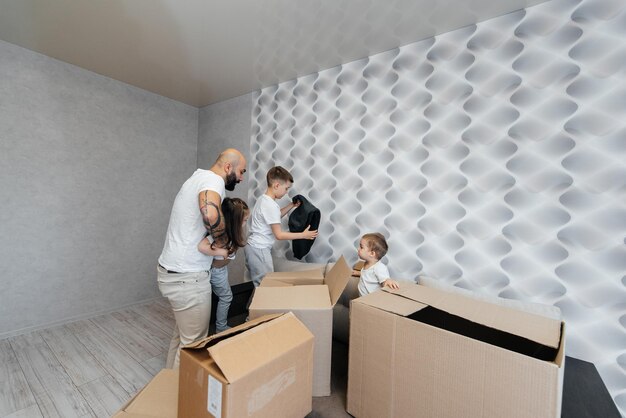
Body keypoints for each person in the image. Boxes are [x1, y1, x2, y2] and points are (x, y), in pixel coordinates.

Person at [157, 148, 246, 369]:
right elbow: (209, 212)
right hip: (188, 279)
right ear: (228, 167)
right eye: (242, 171)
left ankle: (168, 386)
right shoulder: (213, 180)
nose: (242, 177)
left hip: (173, 273)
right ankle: (181, 399)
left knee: (182, 338)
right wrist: (223, 243)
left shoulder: (196, 178)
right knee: (193, 346)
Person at [244, 166, 318, 288]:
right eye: (286, 188)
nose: (286, 192)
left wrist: (291, 205)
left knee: (260, 285)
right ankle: (259, 307)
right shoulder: (270, 205)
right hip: (259, 249)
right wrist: (303, 235)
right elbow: (279, 235)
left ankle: (255, 306)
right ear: (277, 185)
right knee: (265, 286)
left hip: (253, 247)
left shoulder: (263, 200)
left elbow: (276, 216)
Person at [198, 197, 249, 333]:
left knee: (219, 296)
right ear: (235, 221)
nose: (245, 223)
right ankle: (221, 327)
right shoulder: (222, 235)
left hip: (219, 269)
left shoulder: (229, 234)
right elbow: (202, 246)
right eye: (244, 220)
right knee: (226, 297)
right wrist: (222, 252)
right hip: (217, 271)